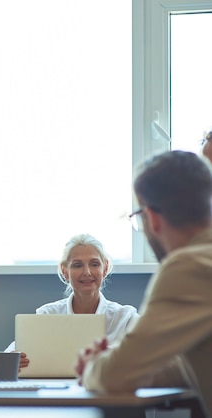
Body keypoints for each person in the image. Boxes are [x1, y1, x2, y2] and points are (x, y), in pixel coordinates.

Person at [76, 150, 212, 406]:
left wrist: (95, 366)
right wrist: (128, 367)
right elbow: (188, 368)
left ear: (153, 218)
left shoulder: (189, 266)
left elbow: (113, 377)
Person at [6, 234, 139, 369]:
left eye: (94, 264)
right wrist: (13, 360)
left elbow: (151, 354)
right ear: (65, 271)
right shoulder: (48, 315)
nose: (87, 272)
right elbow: (10, 354)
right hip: (55, 389)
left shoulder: (124, 318)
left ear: (104, 269)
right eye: (77, 265)